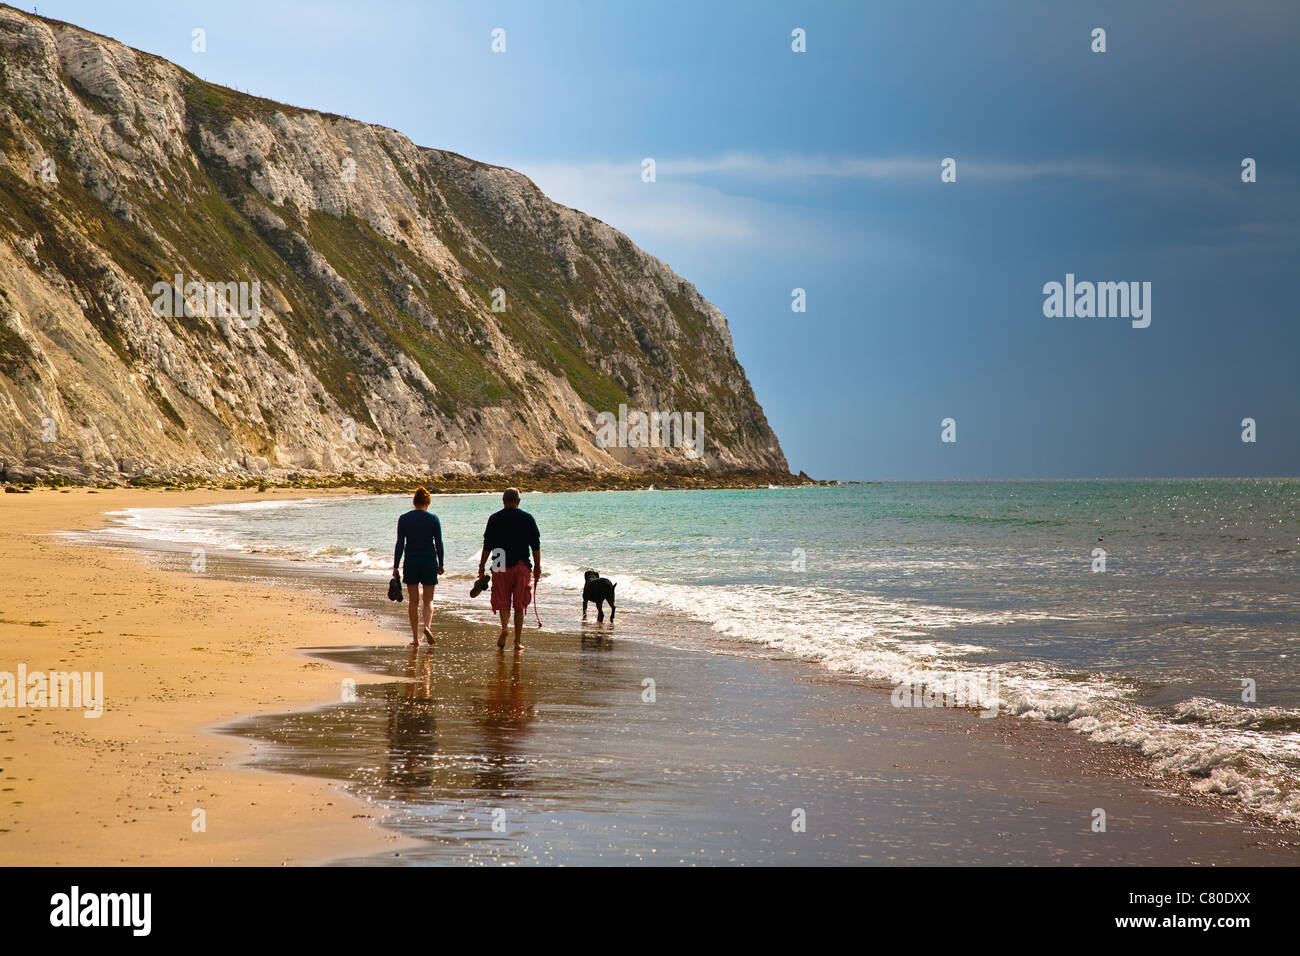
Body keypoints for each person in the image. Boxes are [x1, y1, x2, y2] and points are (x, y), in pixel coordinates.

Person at [478, 487, 540, 653]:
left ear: (503, 501)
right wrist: (538, 567)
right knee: (519, 604)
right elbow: (535, 546)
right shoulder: (527, 518)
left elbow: (487, 546)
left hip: (499, 558)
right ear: (518, 501)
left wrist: (481, 566)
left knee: (502, 599)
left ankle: (505, 628)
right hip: (521, 562)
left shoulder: (494, 518)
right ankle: (517, 641)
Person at [393, 487, 445, 647]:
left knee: (413, 602)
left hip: (411, 560)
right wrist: (441, 563)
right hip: (429, 560)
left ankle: (415, 639)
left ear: (414, 501)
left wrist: (395, 565)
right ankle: (427, 627)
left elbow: (400, 544)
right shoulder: (433, 518)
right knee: (428, 601)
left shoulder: (404, 518)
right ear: (427, 502)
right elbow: (439, 543)